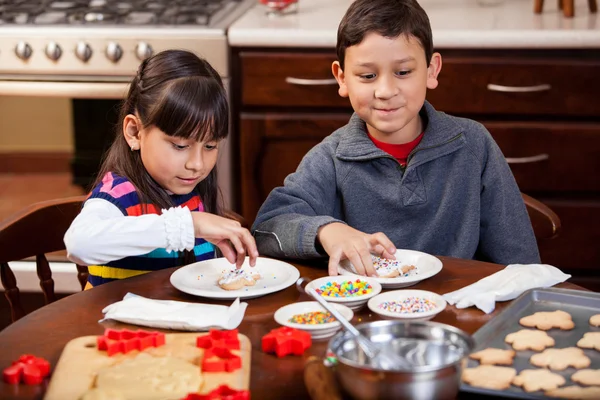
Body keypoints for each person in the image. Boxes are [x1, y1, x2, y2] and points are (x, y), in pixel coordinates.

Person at [251, 0, 540, 277]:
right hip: (366, 319)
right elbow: (267, 230)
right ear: (341, 78)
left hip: (460, 311)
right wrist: (326, 231)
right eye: (367, 76)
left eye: (403, 72)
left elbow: (521, 264)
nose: (385, 90)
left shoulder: (474, 144)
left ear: (431, 70)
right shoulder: (330, 158)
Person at [65, 50, 258, 288]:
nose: (196, 164)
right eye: (179, 145)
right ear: (135, 132)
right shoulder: (117, 196)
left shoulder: (191, 190)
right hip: (122, 324)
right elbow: (79, 244)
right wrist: (189, 225)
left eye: (210, 145)